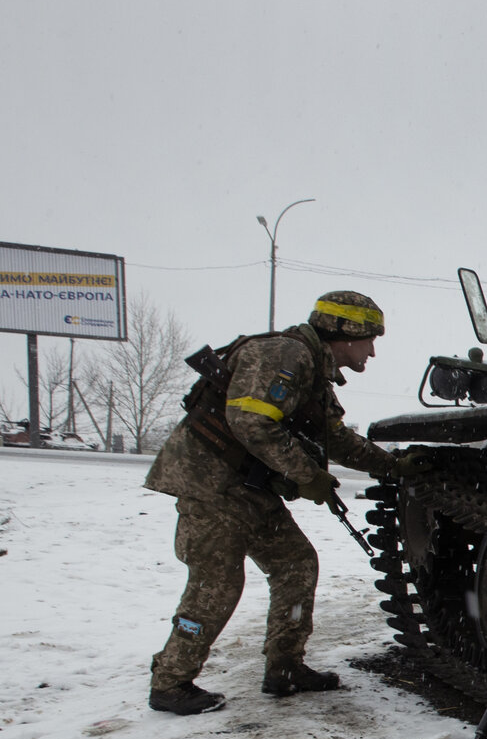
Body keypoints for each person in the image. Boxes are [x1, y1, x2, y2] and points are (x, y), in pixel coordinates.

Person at [143, 290, 400, 715]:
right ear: (343, 333)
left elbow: (333, 437)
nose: (372, 350)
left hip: (249, 491)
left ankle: (285, 667)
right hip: (213, 488)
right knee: (217, 584)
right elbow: (251, 422)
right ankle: (170, 682)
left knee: (296, 564)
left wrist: (394, 466)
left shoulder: (313, 371)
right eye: (369, 338)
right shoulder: (285, 354)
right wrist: (308, 476)